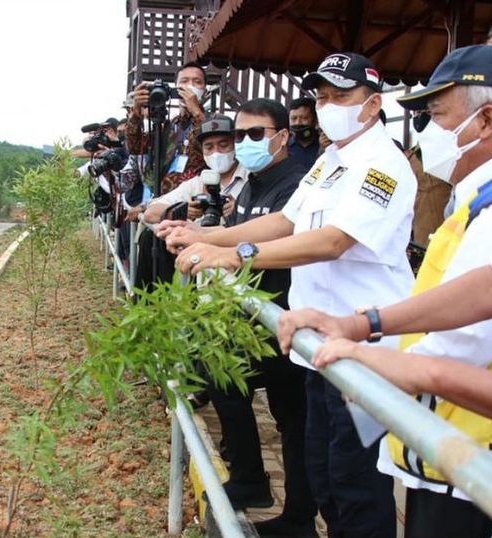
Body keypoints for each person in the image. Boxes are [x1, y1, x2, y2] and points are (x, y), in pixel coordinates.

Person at [275, 3, 492, 536]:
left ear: (484, 119)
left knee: (356, 498)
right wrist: (365, 326)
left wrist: (394, 367)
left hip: (480, 463)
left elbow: (463, 341)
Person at [165, 53, 417, 538]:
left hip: (365, 351)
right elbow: (285, 221)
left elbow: (334, 240)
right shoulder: (330, 161)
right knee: (323, 474)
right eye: (321, 97)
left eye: (341, 96)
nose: (328, 106)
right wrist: (203, 235)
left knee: (356, 484)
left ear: (372, 105)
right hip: (320, 343)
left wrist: (235, 254)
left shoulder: (383, 165)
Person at [162, 99, 317, 538]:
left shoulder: (295, 183)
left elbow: (276, 236)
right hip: (252, 316)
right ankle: (255, 481)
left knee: (294, 420)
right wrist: (196, 235)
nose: (245, 144)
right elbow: (237, 231)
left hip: (283, 315)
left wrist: (219, 247)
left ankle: (295, 511)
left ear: (282, 136)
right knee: (226, 381)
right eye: (240, 135)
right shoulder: (252, 184)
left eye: (255, 135)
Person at [143, 115, 247, 224]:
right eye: (209, 147)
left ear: (236, 145)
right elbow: (150, 213)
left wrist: (241, 211)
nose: (216, 152)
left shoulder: (252, 180)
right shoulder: (196, 184)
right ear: (202, 150)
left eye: (224, 145)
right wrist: (180, 212)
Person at [126, 62, 208, 195]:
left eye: (197, 82)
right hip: (163, 200)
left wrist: (196, 111)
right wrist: (136, 113)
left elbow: (209, 143)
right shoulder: (172, 125)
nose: (190, 86)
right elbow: (134, 147)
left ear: (205, 91)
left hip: (194, 200)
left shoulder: (213, 121)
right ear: (175, 88)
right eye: (184, 81)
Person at [287, 97, 323, 170]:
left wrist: (324, 150)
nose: (298, 123)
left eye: (304, 118)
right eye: (294, 118)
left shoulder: (325, 144)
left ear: (315, 120)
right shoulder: (283, 148)